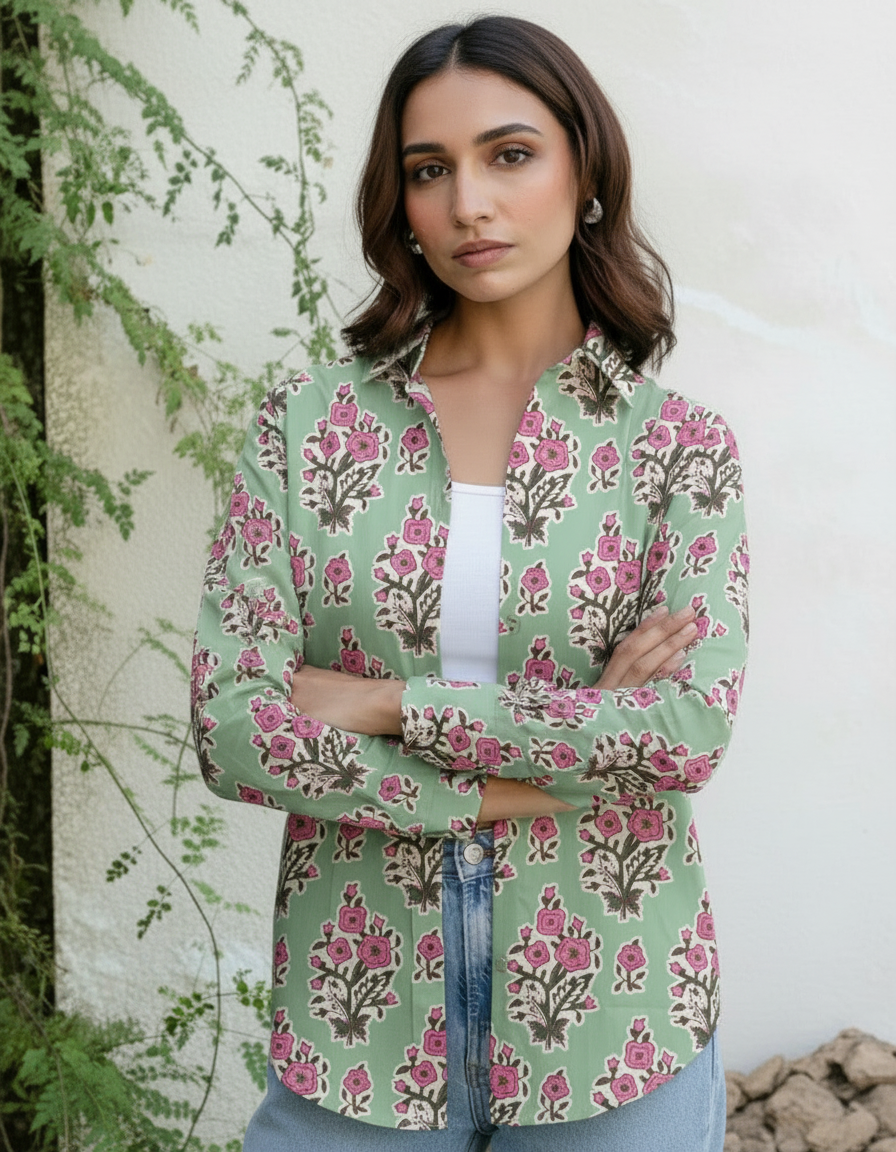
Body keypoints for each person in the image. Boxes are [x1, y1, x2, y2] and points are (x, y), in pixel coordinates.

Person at [191, 15, 748, 1151]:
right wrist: (550, 769)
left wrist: (387, 703)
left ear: (583, 169)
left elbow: (684, 731)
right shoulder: (307, 432)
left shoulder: (675, 450)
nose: (467, 206)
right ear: (399, 203)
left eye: (509, 154)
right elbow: (233, 728)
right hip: (357, 1028)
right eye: (427, 171)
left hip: (614, 1017)